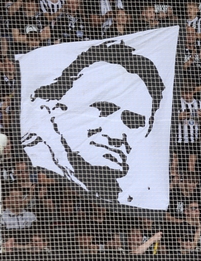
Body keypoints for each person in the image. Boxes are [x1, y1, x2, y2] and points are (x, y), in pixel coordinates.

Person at [24, 41, 166, 204]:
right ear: (57, 108)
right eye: (103, 110)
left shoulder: (137, 196)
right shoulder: (31, 166)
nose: (115, 135)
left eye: (133, 122)